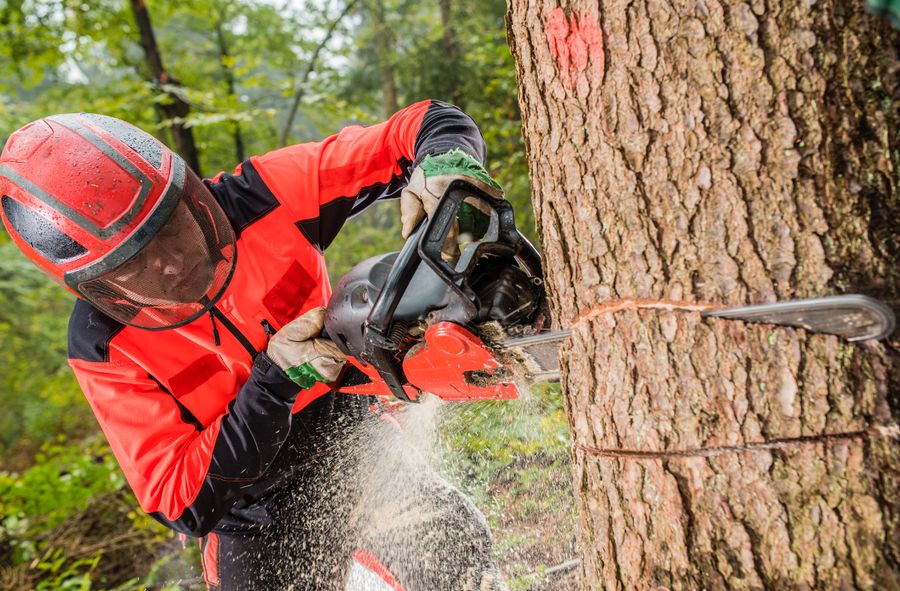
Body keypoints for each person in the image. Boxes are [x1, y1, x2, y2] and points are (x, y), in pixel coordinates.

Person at [0, 101, 507, 590]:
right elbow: (180, 501)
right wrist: (277, 382)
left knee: (462, 562)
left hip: (352, 433)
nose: (171, 264)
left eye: (168, 230)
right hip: (251, 507)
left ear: (186, 193)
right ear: (96, 283)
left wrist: (445, 163)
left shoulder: (262, 196)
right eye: (134, 264)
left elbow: (423, 122)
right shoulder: (104, 343)